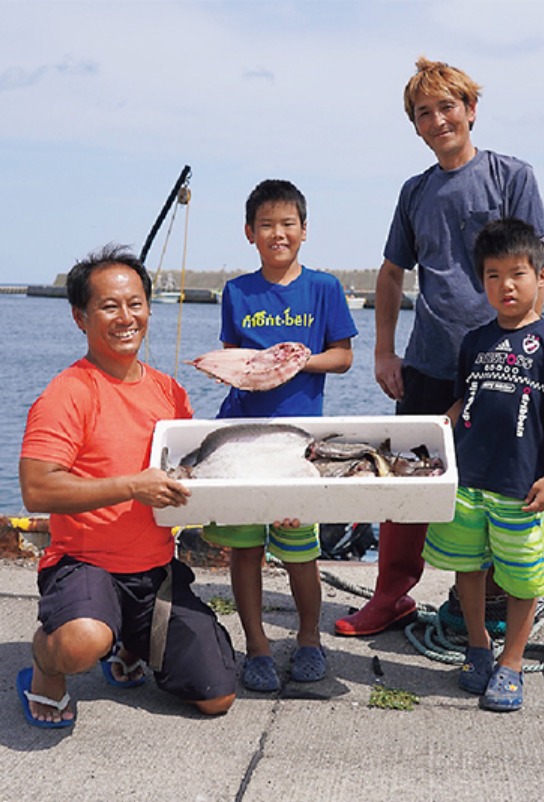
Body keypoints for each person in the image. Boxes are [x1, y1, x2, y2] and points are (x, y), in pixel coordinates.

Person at [336, 56, 544, 683]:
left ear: (470, 110)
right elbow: (393, 274)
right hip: (429, 363)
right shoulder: (414, 192)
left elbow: (529, 263)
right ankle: (391, 594)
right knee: (409, 482)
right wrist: (383, 350)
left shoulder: (511, 175)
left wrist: (528, 341)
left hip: (510, 366)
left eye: (447, 107)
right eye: (424, 113)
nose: (438, 119)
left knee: (543, 487)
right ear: (417, 128)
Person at [18, 244, 237, 728]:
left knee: (216, 696)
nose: (126, 317)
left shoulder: (168, 390)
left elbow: (195, 476)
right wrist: (130, 487)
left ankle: (132, 639)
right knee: (82, 641)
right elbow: (37, 489)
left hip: (155, 572)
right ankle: (45, 663)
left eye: (135, 304)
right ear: (80, 317)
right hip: (84, 564)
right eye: (109, 306)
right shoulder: (67, 393)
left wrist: (273, 502)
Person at [423, 218, 544, 711]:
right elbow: (462, 404)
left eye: (517, 273)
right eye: (493, 275)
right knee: (467, 567)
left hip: (520, 487)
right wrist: (438, 434)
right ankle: (478, 646)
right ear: (482, 283)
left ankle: (512, 661)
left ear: (542, 276)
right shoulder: (473, 341)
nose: (505, 285)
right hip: (467, 481)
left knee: (522, 578)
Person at [202, 179, 357, 693]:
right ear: (250, 232)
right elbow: (232, 355)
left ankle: (310, 639)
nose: (277, 233)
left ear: (304, 230)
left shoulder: (324, 289)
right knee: (245, 549)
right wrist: (236, 370)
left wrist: (296, 363)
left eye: (287, 223)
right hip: (241, 432)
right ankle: (258, 647)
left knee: (299, 548)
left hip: (296, 438)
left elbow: (344, 356)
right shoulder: (237, 291)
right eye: (266, 225)